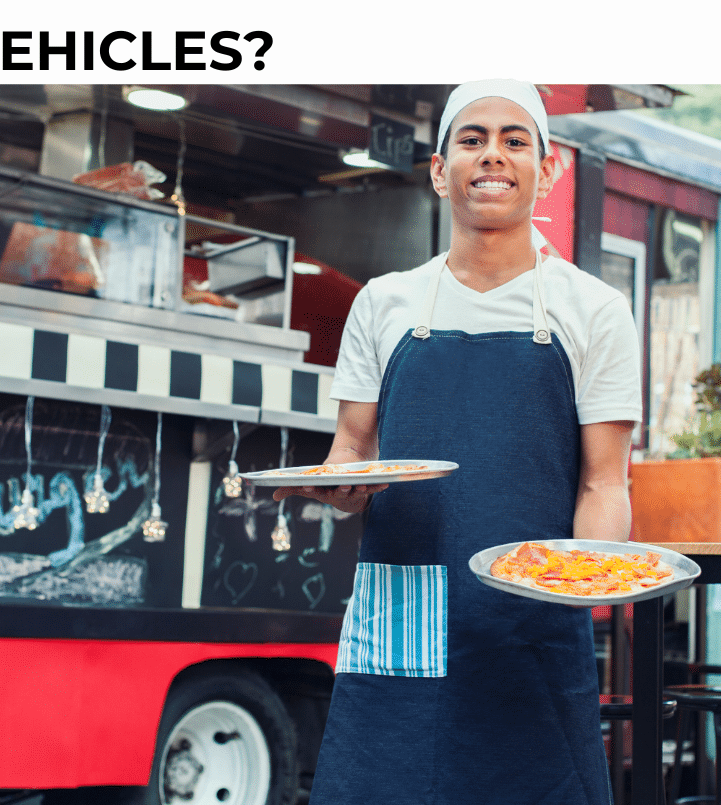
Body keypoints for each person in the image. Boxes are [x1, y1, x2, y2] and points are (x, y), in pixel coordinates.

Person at [274, 80, 641, 804]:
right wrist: (339, 489)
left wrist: (585, 589)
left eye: (514, 140)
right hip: (402, 613)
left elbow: (604, 484)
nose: (492, 156)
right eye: (471, 139)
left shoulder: (595, 311)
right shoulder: (384, 303)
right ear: (441, 171)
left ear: (548, 168)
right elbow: (351, 447)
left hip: (532, 623)